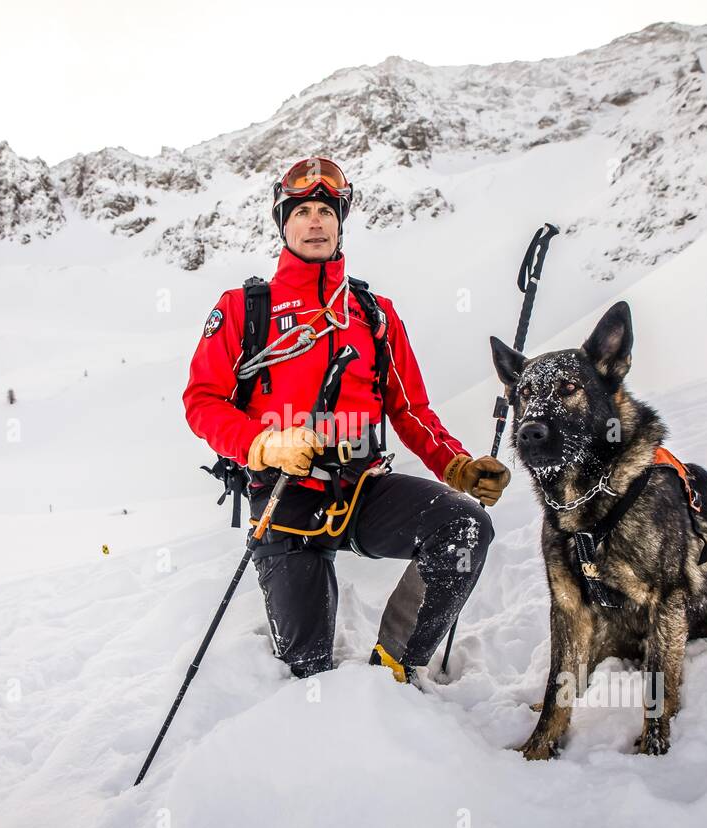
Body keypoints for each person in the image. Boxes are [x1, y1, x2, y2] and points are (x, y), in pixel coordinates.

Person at [183, 157, 510, 683]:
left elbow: (409, 409)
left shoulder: (372, 312)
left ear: (340, 221)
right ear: (283, 224)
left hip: (362, 489)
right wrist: (264, 446)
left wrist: (456, 466)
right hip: (285, 498)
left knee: (465, 527)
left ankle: (394, 667)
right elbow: (203, 401)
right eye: (303, 211)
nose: (315, 222)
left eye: (325, 211)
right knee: (307, 672)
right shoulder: (245, 309)